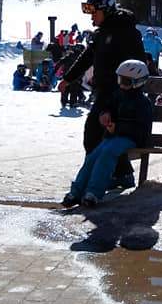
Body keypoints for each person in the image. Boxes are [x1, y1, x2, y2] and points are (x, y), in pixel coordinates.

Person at [58, 0, 145, 189]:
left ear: (106, 10)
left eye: (94, 12)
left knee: (94, 133)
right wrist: (68, 79)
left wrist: (127, 88)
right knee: (103, 136)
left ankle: (99, 177)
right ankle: (120, 175)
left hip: (122, 94)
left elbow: (138, 62)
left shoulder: (126, 31)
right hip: (105, 92)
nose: (91, 17)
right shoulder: (101, 33)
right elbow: (87, 57)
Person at [61, 60, 153, 208]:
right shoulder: (118, 96)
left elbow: (141, 130)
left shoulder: (142, 103)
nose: (122, 84)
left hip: (131, 138)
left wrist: (117, 128)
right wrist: (105, 114)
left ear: (137, 82)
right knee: (93, 156)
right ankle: (76, 192)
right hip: (113, 136)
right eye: (120, 80)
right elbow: (108, 107)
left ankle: (94, 193)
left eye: (126, 81)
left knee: (108, 154)